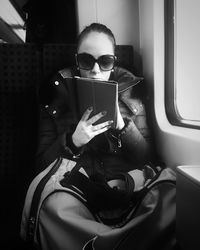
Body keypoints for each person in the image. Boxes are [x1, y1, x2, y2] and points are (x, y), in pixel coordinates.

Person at [34, 23, 159, 249]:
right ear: (76, 61)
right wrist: (72, 141)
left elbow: (147, 158)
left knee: (172, 186)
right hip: (77, 192)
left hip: (124, 185)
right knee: (49, 202)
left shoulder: (133, 94)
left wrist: (123, 127)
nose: (95, 69)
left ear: (113, 63)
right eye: (85, 60)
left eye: (105, 61)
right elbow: (41, 165)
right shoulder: (54, 96)